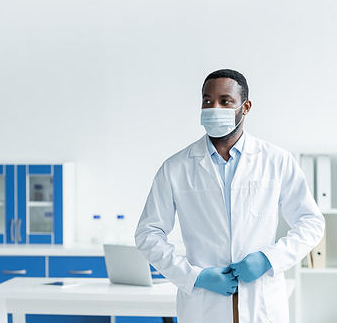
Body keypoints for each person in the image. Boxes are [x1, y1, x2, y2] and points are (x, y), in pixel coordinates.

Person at [135, 69, 325, 323]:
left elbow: (311, 223)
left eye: (225, 101)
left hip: (261, 302)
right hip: (203, 304)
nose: (214, 108)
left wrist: (269, 259)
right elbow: (148, 234)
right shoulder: (176, 167)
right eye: (207, 101)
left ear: (245, 107)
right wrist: (194, 276)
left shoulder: (276, 161)